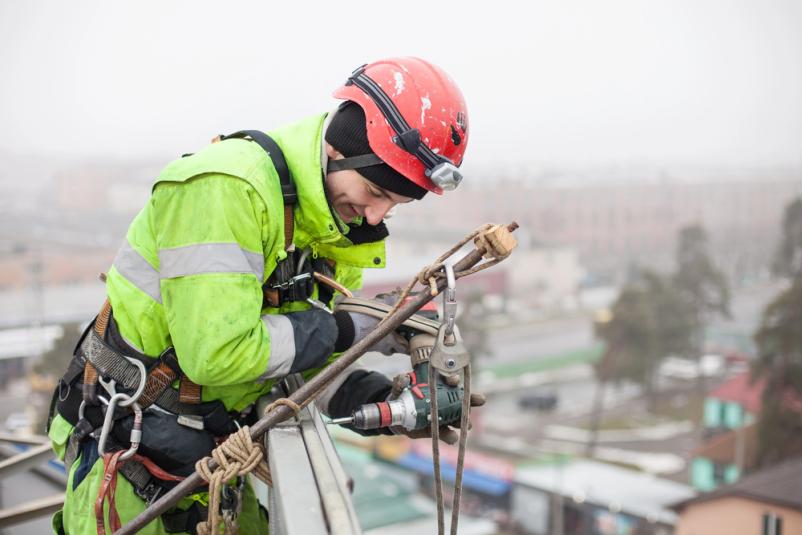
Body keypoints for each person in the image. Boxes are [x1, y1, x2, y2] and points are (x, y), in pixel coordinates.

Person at [47, 57, 480, 534]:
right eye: (376, 191)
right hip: (131, 471)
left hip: (210, 467)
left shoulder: (334, 228)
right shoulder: (226, 190)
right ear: (342, 150)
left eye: (393, 206)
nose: (375, 217)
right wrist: (350, 328)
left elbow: (290, 362)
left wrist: (382, 402)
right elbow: (218, 354)